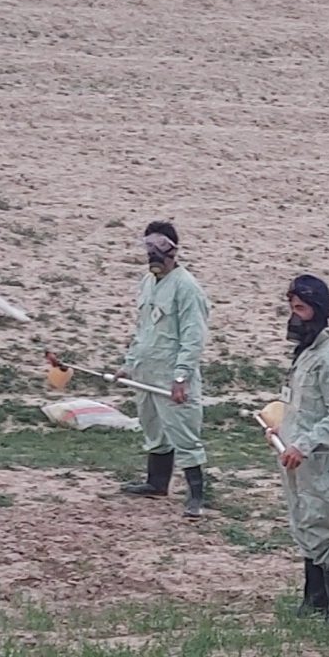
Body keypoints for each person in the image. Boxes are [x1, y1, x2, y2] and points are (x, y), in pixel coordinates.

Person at [278, 274, 329, 623]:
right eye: (292, 308)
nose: (294, 316)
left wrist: (306, 443)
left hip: (320, 462)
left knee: (325, 529)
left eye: (301, 309)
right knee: (305, 526)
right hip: (296, 462)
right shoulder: (307, 354)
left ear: (319, 311)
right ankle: (315, 599)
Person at [119, 221, 211, 517]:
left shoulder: (187, 288)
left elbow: (194, 337)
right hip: (146, 372)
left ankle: (196, 496)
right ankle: (156, 484)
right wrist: (130, 364)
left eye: (159, 249)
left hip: (173, 378)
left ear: (172, 250)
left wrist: (181, 377)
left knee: (183, 433)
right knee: (153, 429)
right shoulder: (147, 282)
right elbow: (143, 328)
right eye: (148, 249)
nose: (153, 256)